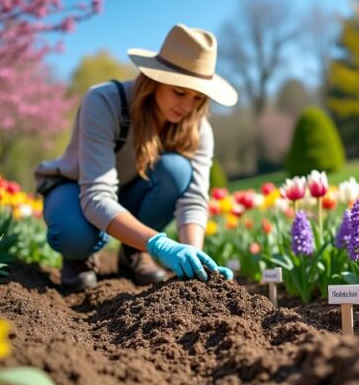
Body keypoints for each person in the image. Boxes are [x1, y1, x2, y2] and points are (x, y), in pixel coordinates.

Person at [35, 24, 236, 290]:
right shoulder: (105, 102)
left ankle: (133, 253)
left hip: (130, 192)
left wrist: (194, 258)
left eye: (198, 97)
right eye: (179, 92)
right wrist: (160, 244)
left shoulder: (197, 128)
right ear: (156, 79)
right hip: (76, 188)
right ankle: (78, 258)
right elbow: (96, 196)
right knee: (74, 234)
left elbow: (193, 200)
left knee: (177, 171)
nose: (188, 106)